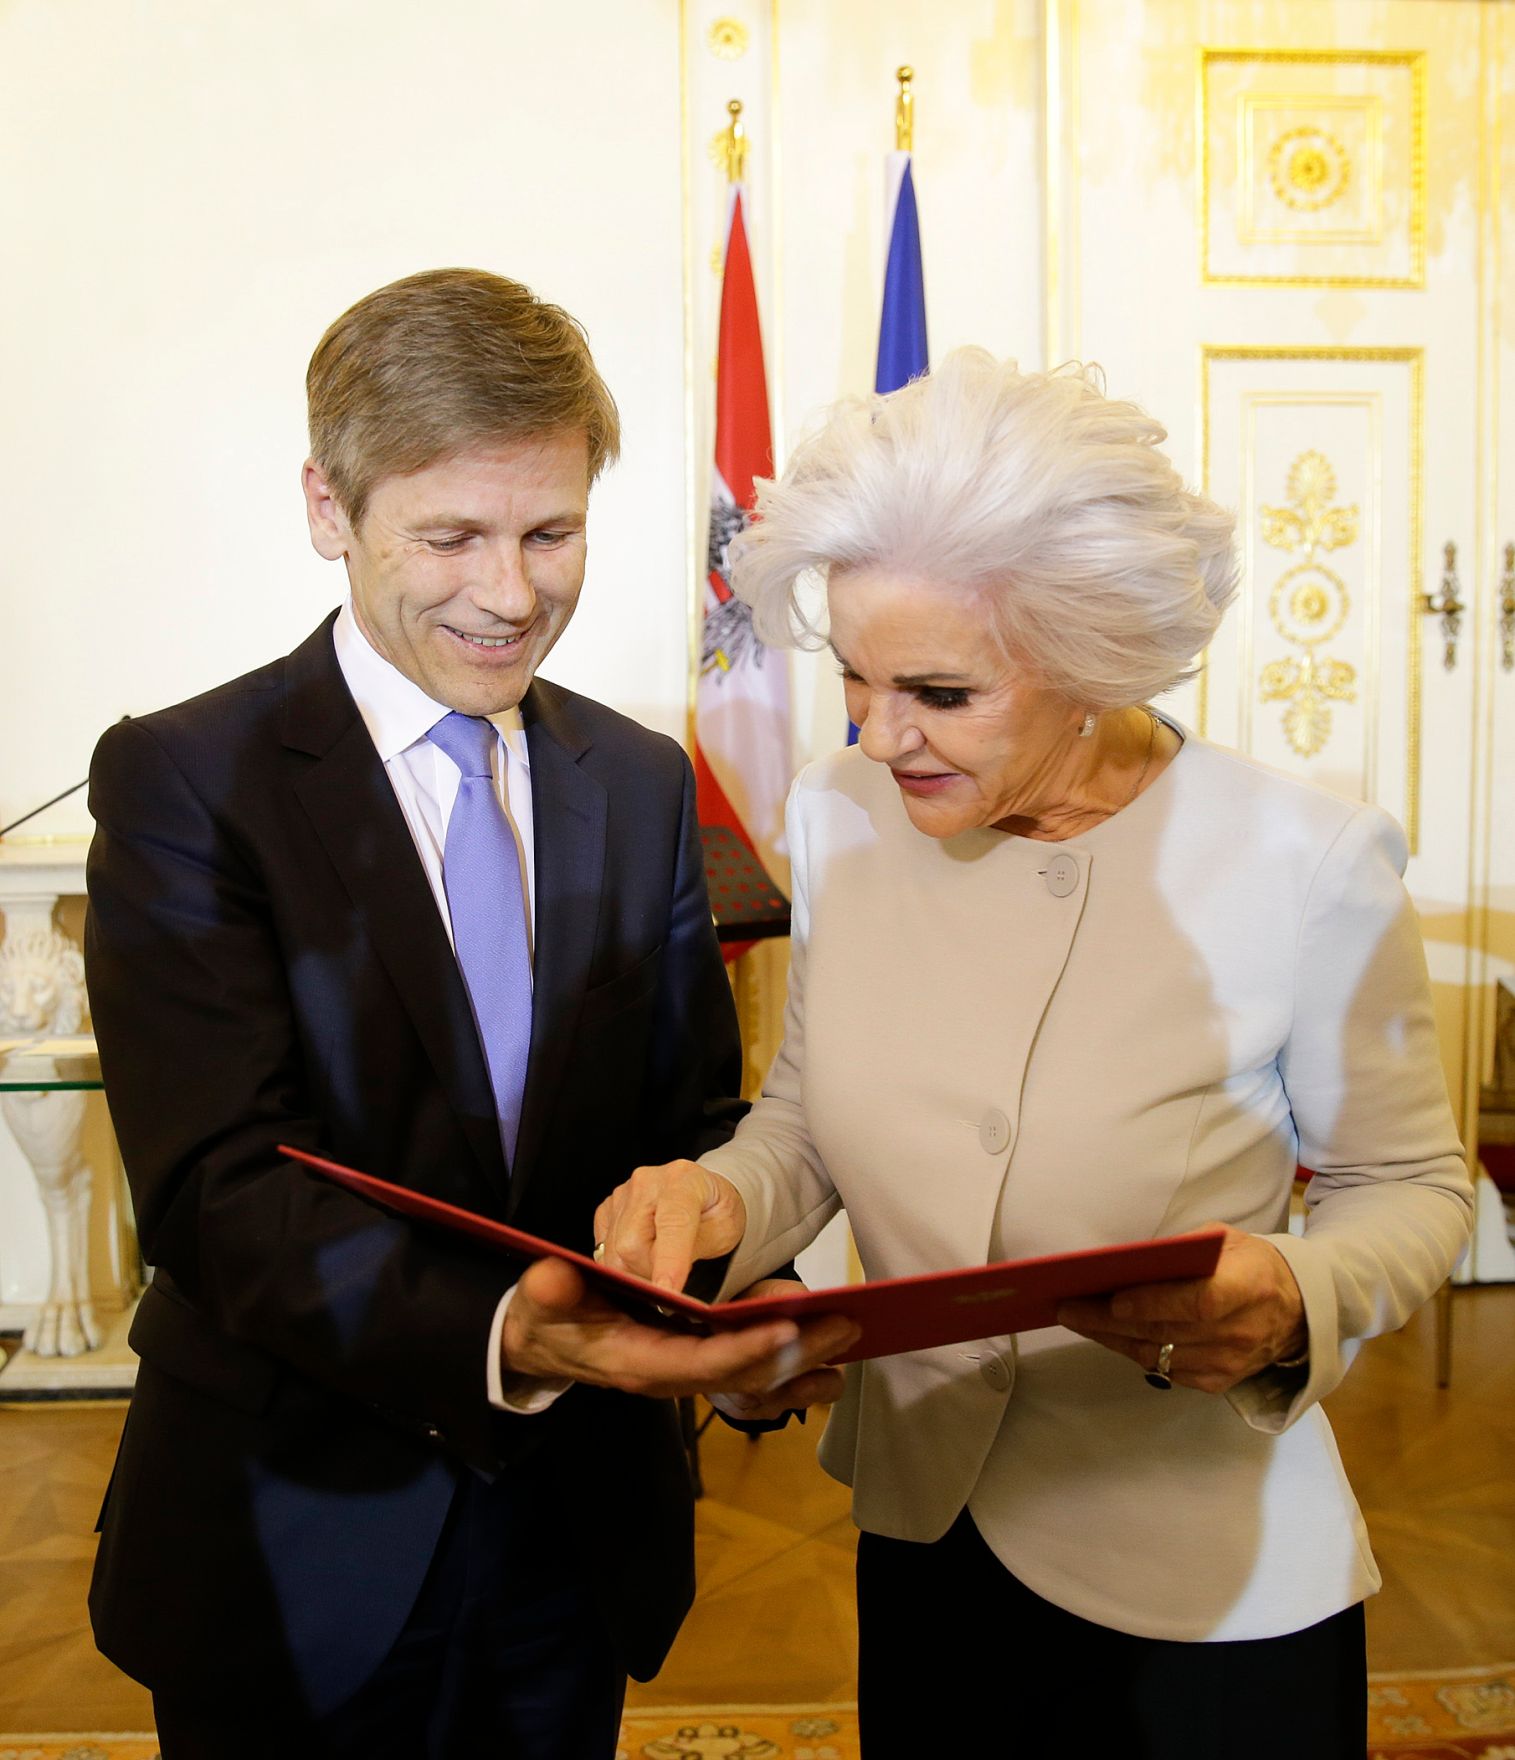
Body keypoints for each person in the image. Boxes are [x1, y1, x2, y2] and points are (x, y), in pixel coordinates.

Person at [594, 350, 1474, 1756]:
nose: (881, 737)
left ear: (1088, 663)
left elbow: (1414, 1189)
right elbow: (807, 1127)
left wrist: (1298, 1291)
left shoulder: (1303, 860)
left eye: (940, 694)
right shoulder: (840, 816)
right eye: (856, 682)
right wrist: (719, 1203)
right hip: (926, 1540)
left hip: (1211, 1584)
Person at [84, 268, 853, 1759]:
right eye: (451, 536)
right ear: (330, 507)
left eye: (550, 531)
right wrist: (519, 1332)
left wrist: (737, 1283)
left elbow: (690, 1121)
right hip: (295, 1540)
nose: (511, 593)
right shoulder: (189, 782)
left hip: (578, 1539)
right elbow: (215, 1192)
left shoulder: (636, 786)